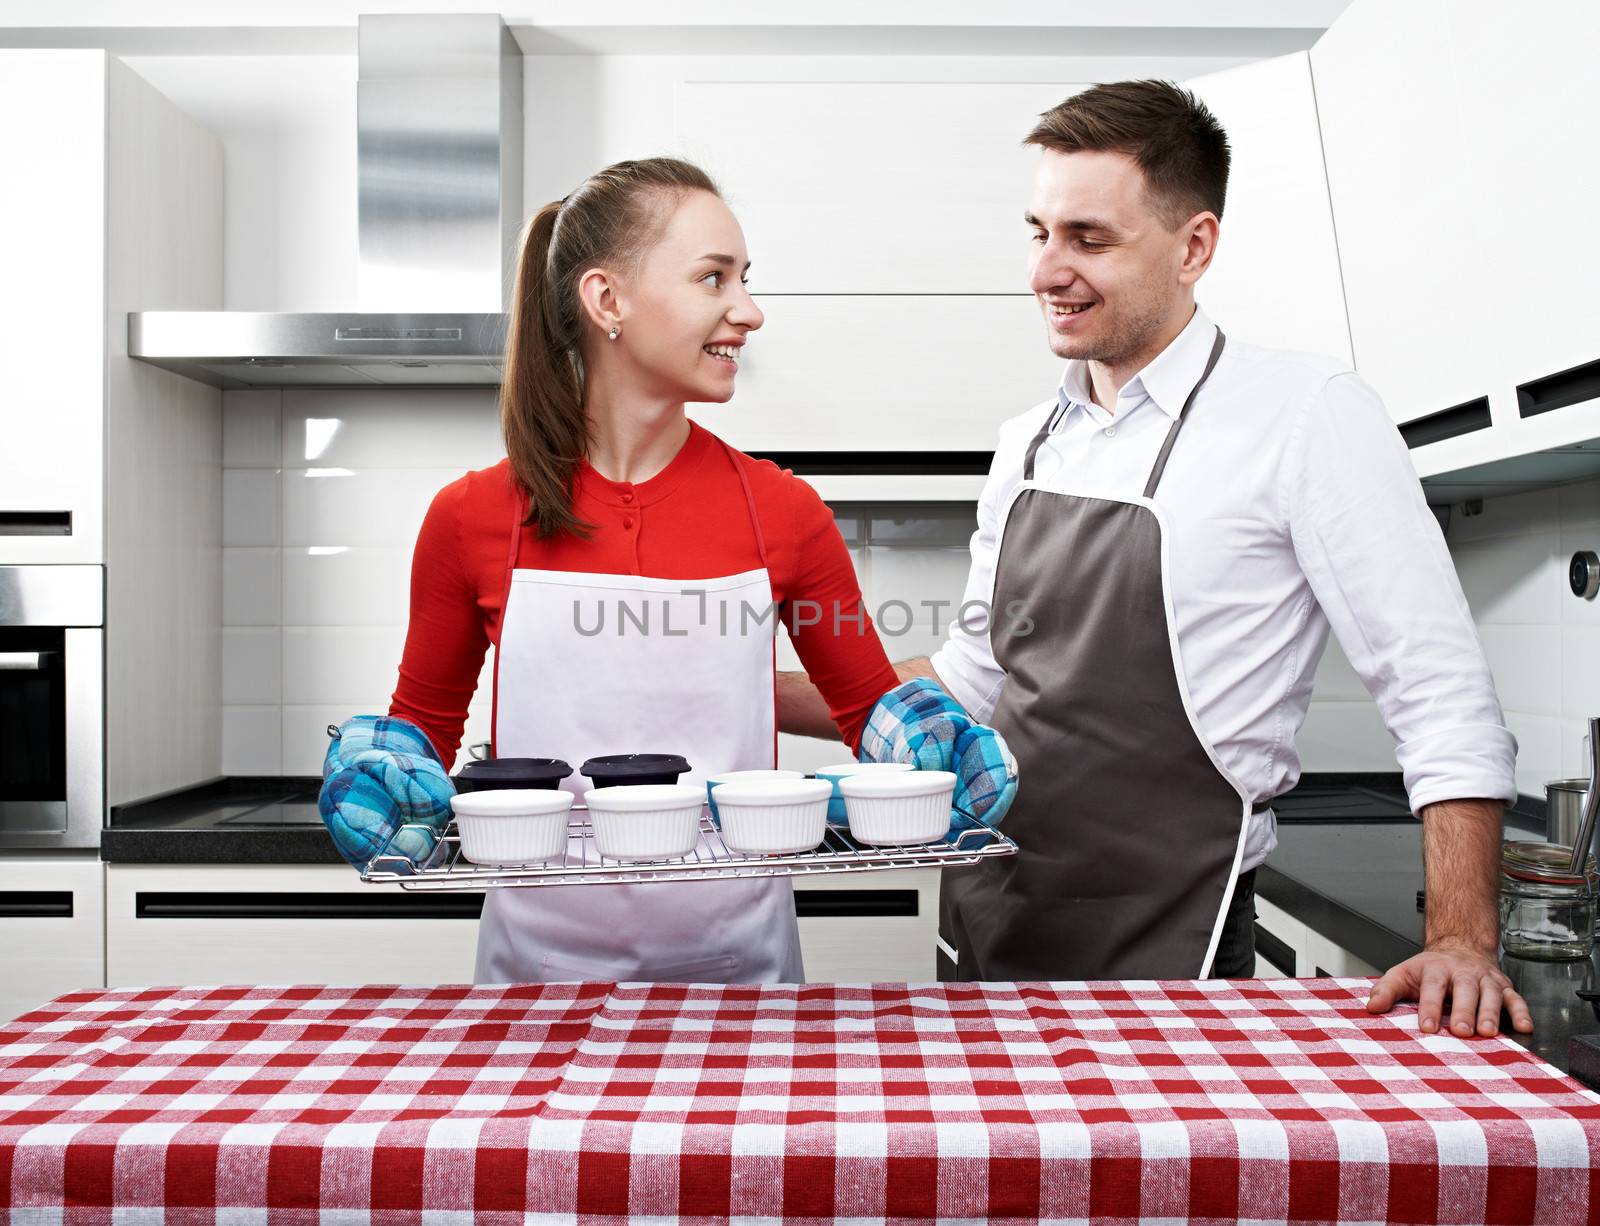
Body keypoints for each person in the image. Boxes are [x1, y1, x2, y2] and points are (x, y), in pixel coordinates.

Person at [781, 81, 1531, 1039]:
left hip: (1178, 956)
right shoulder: (1028, 444)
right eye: (1037, 232)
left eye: (1088, 239)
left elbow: (1437, 689)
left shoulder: (1305, 418)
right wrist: (745, 689)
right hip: (993, 926)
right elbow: (965, 683)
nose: (1046, 270)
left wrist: (1465, 936)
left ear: (1195, 247)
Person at [318, 156, 1015, 985]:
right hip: (535, 977)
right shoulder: (470, 518)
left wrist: (946, 758)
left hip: (742, 969)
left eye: (745, 280)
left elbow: (870, 715)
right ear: (608, 301)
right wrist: (378, 780)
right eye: (713, 278)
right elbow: (421, 745)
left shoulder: (784, 512)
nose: (748, 312)